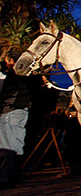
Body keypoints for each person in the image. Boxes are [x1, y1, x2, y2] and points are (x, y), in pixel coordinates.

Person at [0, 48, 31, 187]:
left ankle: (7, 177)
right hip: (21, 111)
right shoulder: (27, 73)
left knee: (8, 146)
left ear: (12, 61)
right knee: (16, 145)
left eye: (7, 62)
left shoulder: (14, 74)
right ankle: (14, 175)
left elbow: (6, 92)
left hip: (10, 112)